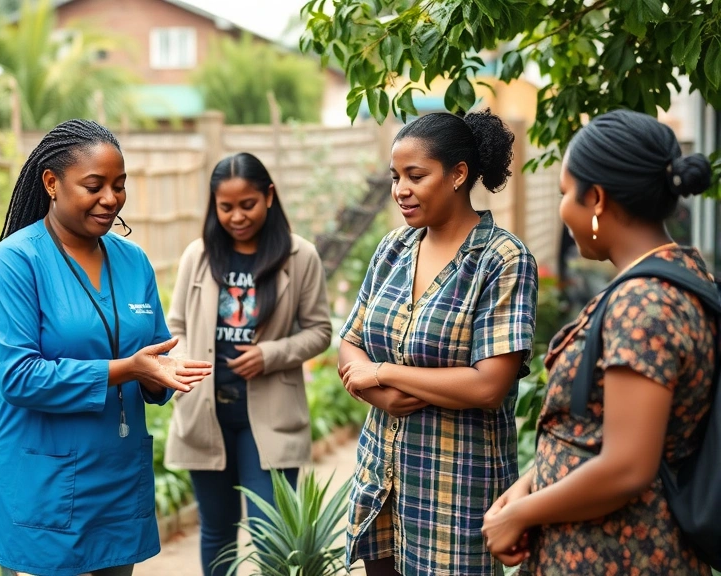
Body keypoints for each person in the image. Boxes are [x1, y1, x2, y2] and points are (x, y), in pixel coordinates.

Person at [0, 119, 213, 576]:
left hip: (117, 479)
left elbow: (152, 354)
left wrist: (164, 374)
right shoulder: (17, 261)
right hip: (44, 482)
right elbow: (20, 377)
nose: (111, 198)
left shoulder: (132, 261)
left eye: (119, 186)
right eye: (94, 185)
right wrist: (128, 369)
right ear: (51, 183)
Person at [482, 110, 715, 575]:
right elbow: (604, 431)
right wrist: (532, 483)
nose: (563, 207)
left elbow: (628, 466)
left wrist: (521, 514)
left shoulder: (644, 306)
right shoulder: (676, 275)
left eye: (568, 192)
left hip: (622, 555)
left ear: (598, 199)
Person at [338, 110, 538, 576]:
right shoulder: (393, 248)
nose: (400, 190)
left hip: (453, 496)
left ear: (458, 175)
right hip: (381, 484)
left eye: (415, 176)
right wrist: (380, 393)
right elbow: (350, 345)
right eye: (395, 177)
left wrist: (384, 372)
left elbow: (489, 386)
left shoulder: (502, 261)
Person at [164, 152, 332, 575]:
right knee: (217, 531)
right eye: (226, 207)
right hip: (206, 412)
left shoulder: (300, 256)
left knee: (271, 534)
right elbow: (176, 323)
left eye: (247, 205)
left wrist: (270, 355)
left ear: (269, 196)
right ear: (213, 205)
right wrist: (180, 363)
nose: (236, 216)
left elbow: (319, 330)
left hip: (269, 415)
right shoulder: (196, 256)